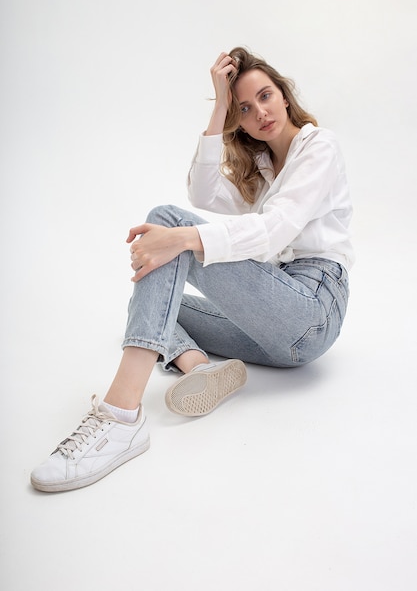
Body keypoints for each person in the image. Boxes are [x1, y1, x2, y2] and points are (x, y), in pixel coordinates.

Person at [31, 46, 354, 492]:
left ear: (284, 94)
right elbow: (203, 195)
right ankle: (199, 367)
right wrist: (219, 107)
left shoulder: (319, 146)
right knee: (159, 303)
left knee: (168, 223)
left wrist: (180, 238)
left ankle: (121, 416)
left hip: (313, 309)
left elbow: (275, 230)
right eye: (244, 108)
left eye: (264, 96)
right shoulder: (261, 169)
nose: (259, 112)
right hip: (279, 340)